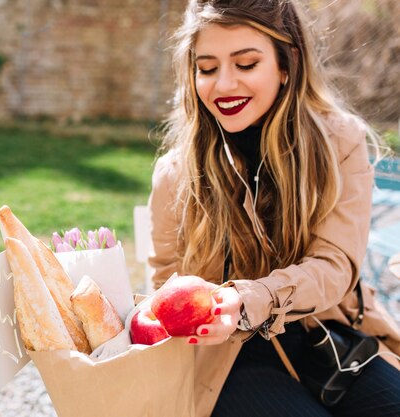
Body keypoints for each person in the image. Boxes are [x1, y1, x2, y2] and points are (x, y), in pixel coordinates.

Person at [148, 0, 400, 416]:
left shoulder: (341, 142)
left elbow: (335, 264)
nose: (223, 85)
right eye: (206, 68)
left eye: (246, 64)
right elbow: (166, 282)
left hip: (328, 333)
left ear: (287, 65)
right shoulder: (176, 172)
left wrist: (251, 302)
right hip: (226, 358)